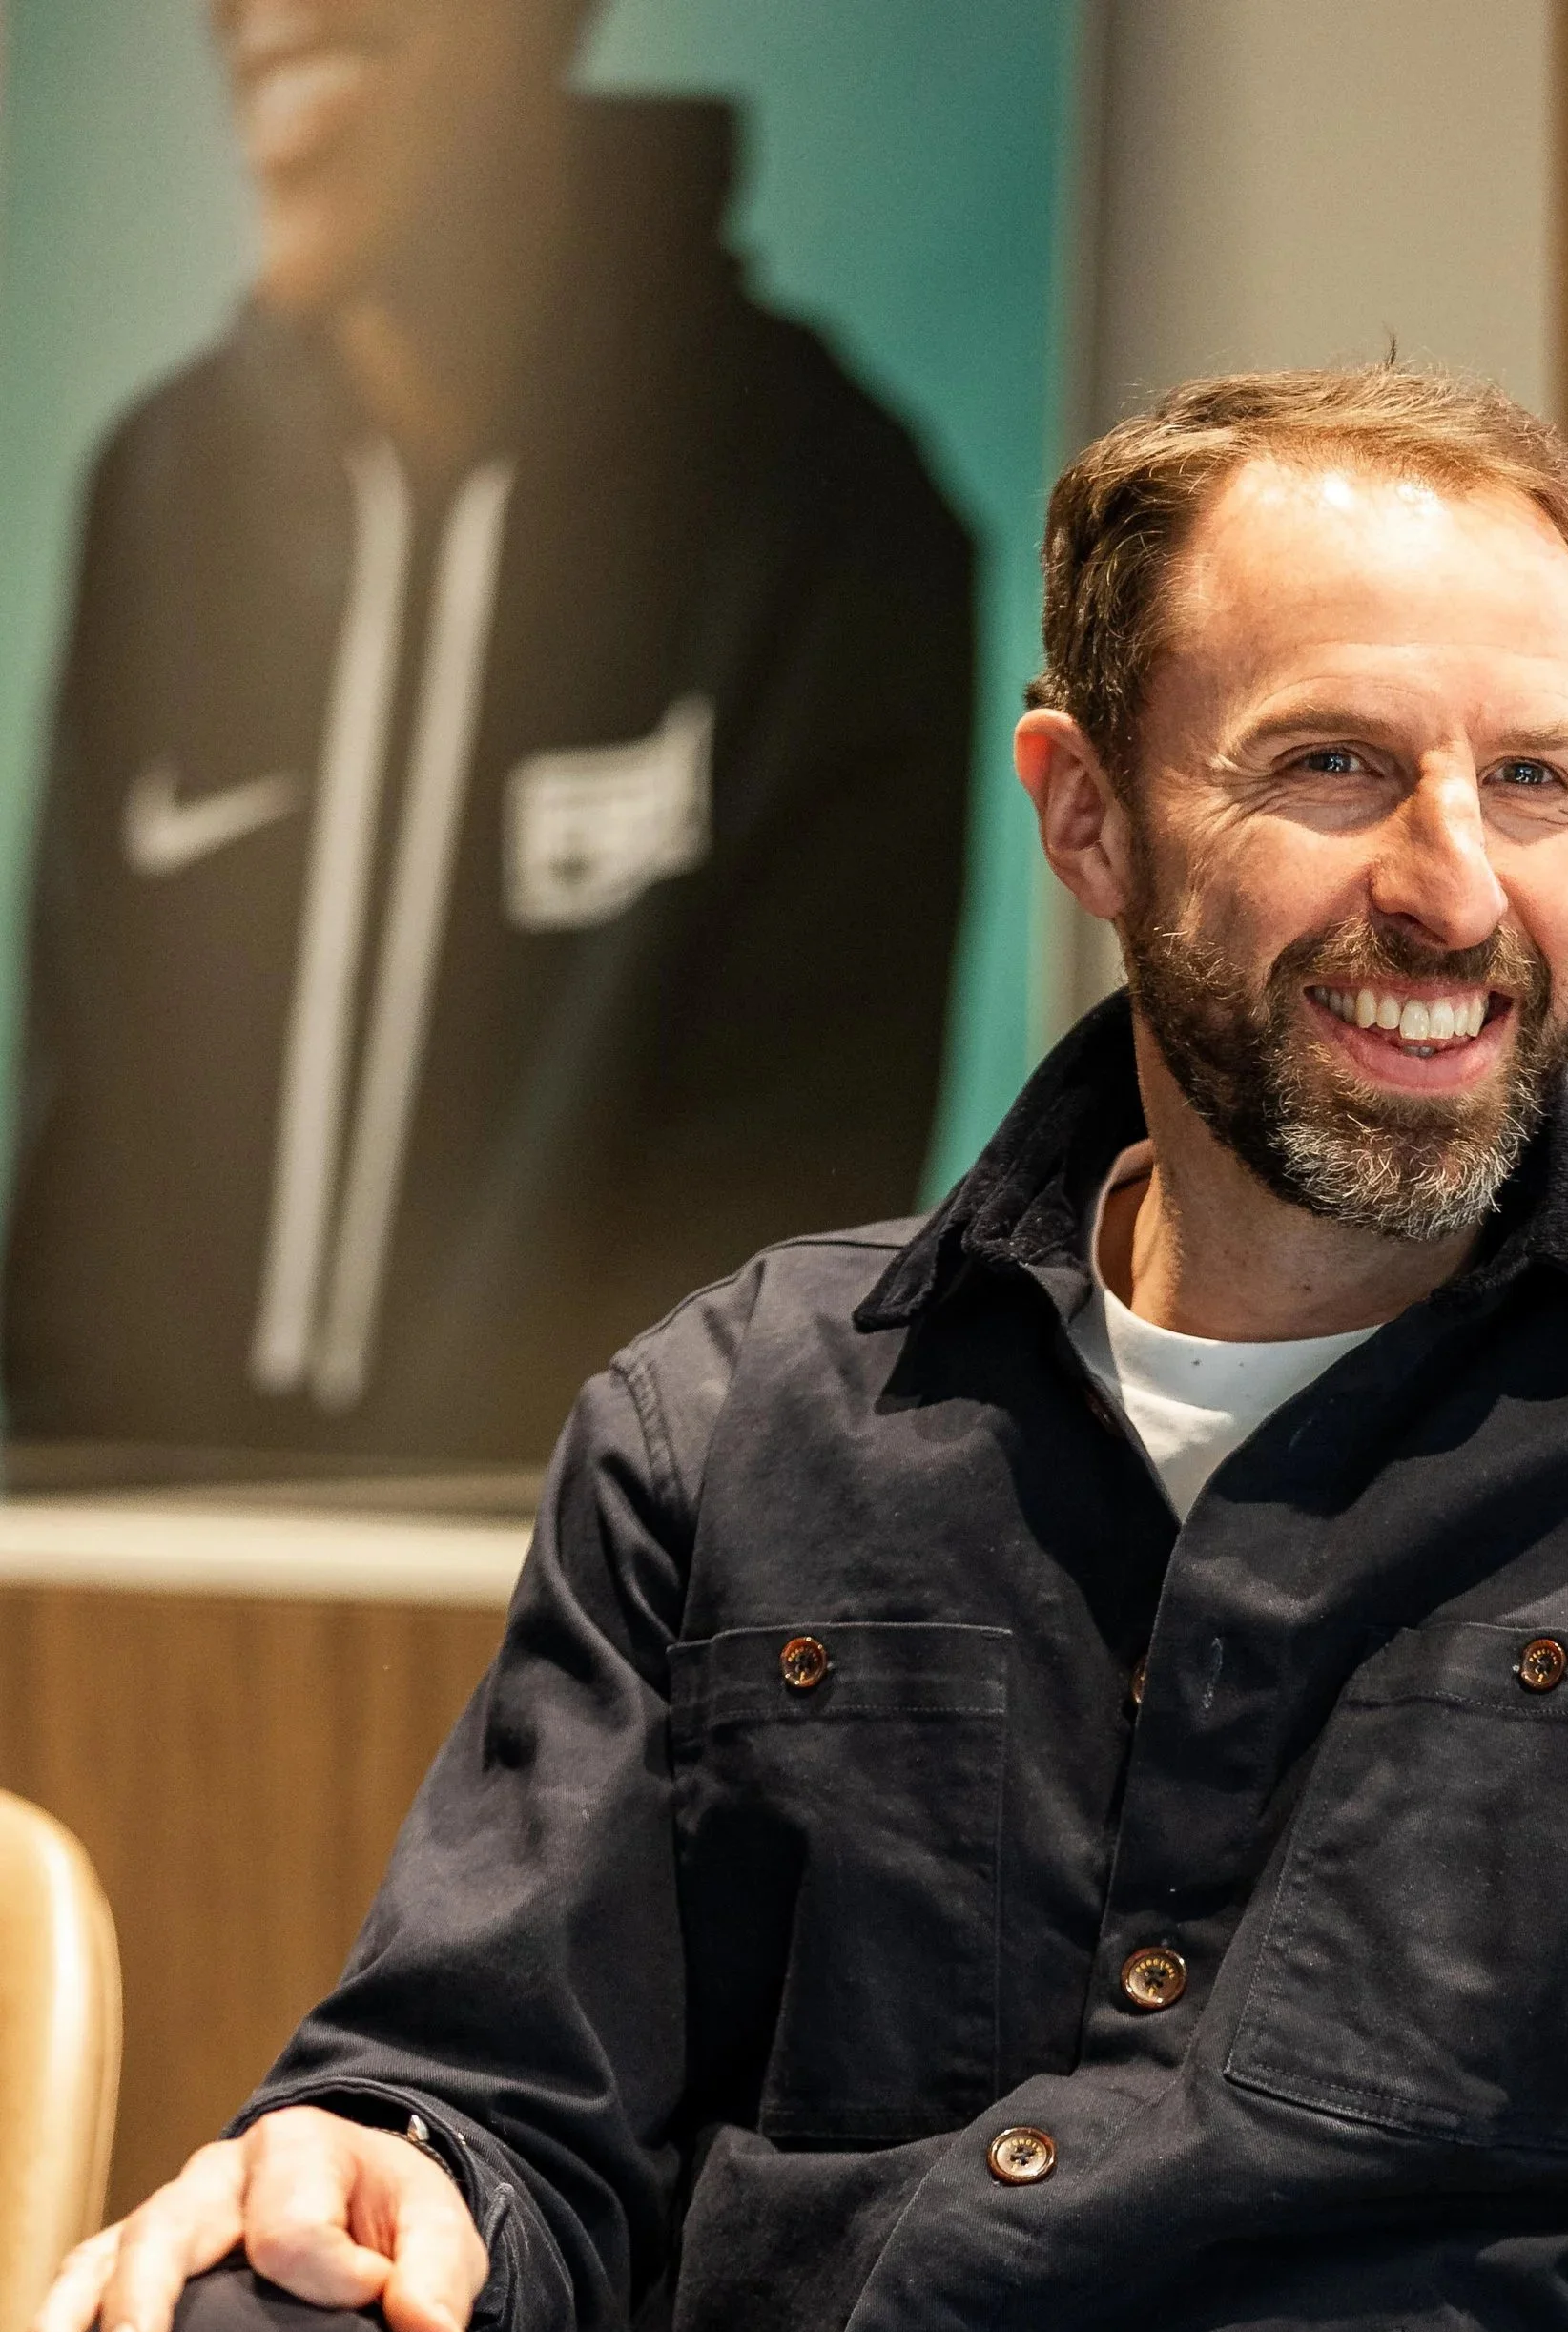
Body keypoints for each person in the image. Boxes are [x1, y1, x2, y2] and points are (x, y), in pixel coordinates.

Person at [17, 366, 1568, 2332]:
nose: (1453, 884)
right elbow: (494, 2100)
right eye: (1335, 766)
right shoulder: (740, 1410)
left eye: (1533, 780)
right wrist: (383, 2170)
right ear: (1084, 810)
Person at [3, 0, 974, 1465]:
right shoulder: (159, 491)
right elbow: (79, 1188)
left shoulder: (834, 518)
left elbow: (783, 1253)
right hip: (133, 1629)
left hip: (592, 1630)